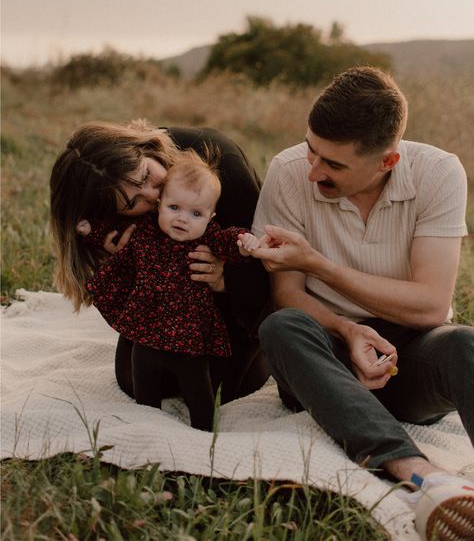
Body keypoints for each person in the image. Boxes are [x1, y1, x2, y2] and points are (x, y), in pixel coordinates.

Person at [250, 67, 474, 540]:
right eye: (311, 149)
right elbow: (287, 293)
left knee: (465, 344)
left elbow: (431, 307)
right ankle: (419, 474)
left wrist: (320, 265)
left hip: (408, 358)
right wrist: (348, 331)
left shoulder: (439, 173)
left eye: (332, 165)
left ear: (386, 162)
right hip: (323, 357)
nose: (313, 171)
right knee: (281, 326)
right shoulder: (289, 172)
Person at [50, 120, 271, 413]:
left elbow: (267, 265)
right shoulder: (117, 204)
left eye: (146, 176)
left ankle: (265, 352)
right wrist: (115, 252)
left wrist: (225, 278)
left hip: (233, 303)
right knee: (132, 379)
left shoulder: (222, 164)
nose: (153, 195)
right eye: (132, 203)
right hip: (164, 306)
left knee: (220, 388)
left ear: (144, 148)